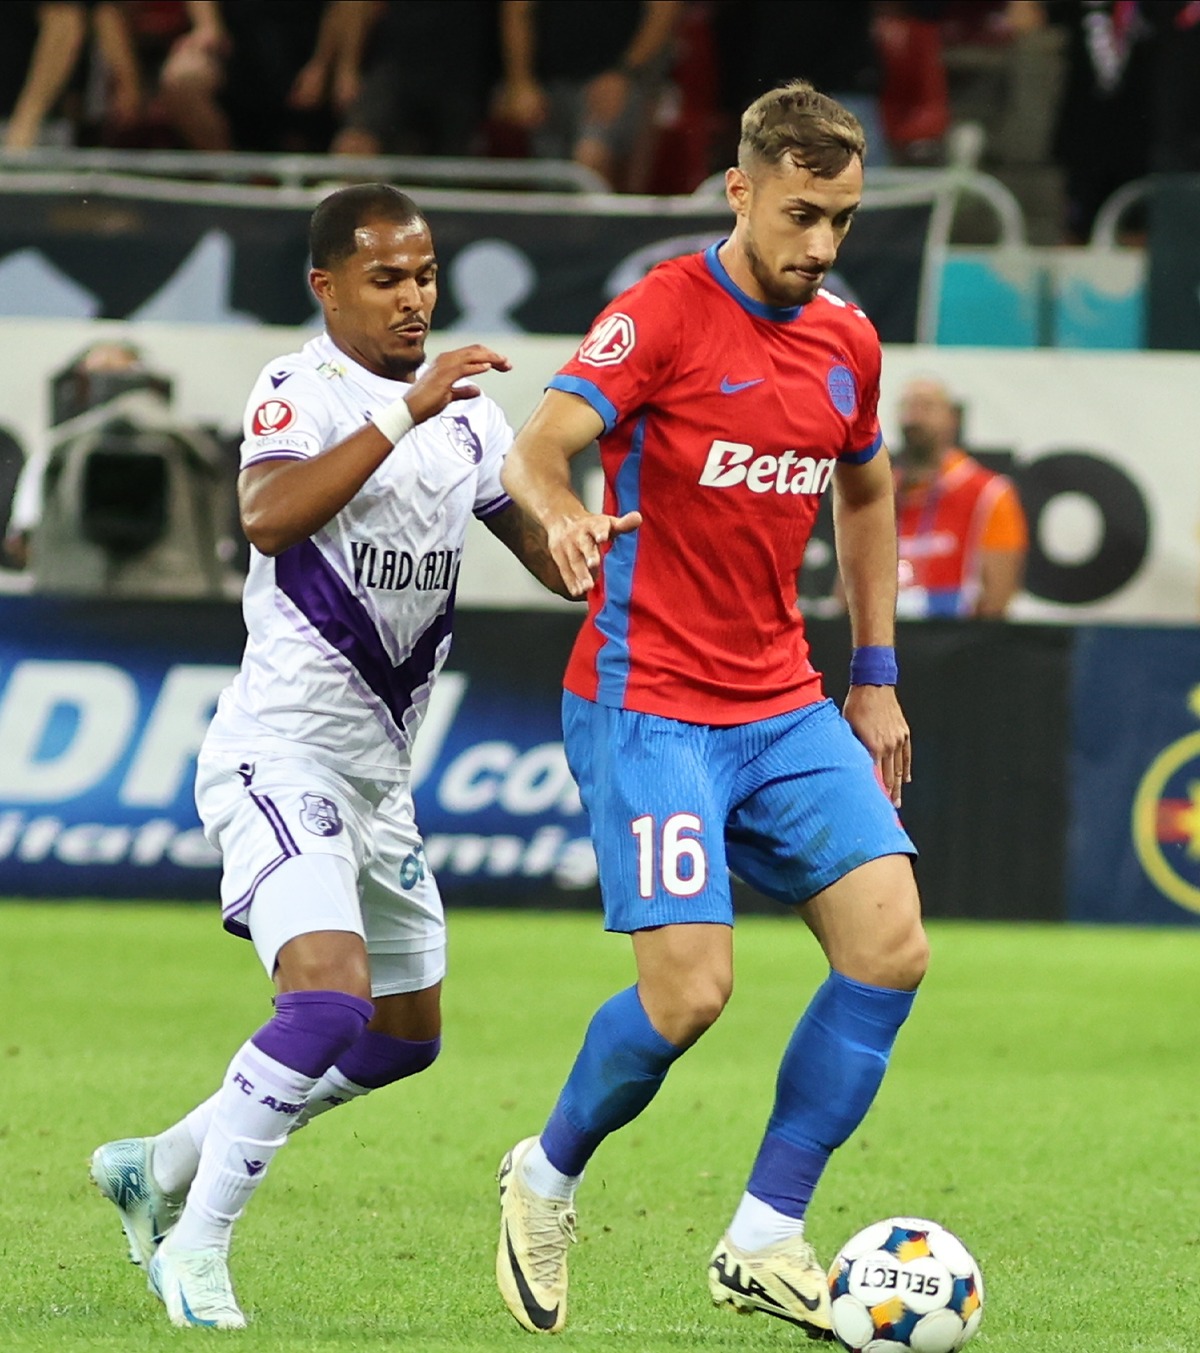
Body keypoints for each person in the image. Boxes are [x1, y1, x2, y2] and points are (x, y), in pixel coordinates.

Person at [88, 182, 566, 1330]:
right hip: (279, 751)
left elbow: (548, 552)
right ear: (328, 286)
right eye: (387, 278)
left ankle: (157, 1165)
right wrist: (404, 410)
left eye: (426, 274)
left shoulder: (470, 416)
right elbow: (267, 516)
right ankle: (193, 1249)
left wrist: (584, 537)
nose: (414, 300)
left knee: (406, 1039)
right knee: (326, 1000)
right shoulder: (300, 388)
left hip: (376, 781)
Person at [494, 79, 927, 1338]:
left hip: (784, 700)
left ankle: (765, 1235)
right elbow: (539, 444)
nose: (821, 247)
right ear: (739, 191)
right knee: (690, 995)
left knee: (891, 948)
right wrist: (562, 511)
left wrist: (876, 672)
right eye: (802, 215)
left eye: (842, 220)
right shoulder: (660, 317)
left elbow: (866, 491)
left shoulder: (845, 341)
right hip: (652, 705)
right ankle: (546, 1171)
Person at [493, 0, 683, 189]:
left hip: (613, 78)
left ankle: (600, 217)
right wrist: (521, 82)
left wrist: (623, 72)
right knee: (549, 180)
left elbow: (664, 11)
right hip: (548, 82)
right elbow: (517, 10)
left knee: (590, 157)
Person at [893, 376, 1028, 618]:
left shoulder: (989, 493)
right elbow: (848, 593)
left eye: (926, 406)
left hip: (956, 644)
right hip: (884, 645)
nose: (914, 417)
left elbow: (997, 600)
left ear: (952, 419)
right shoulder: (880, 494)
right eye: (907, 407)